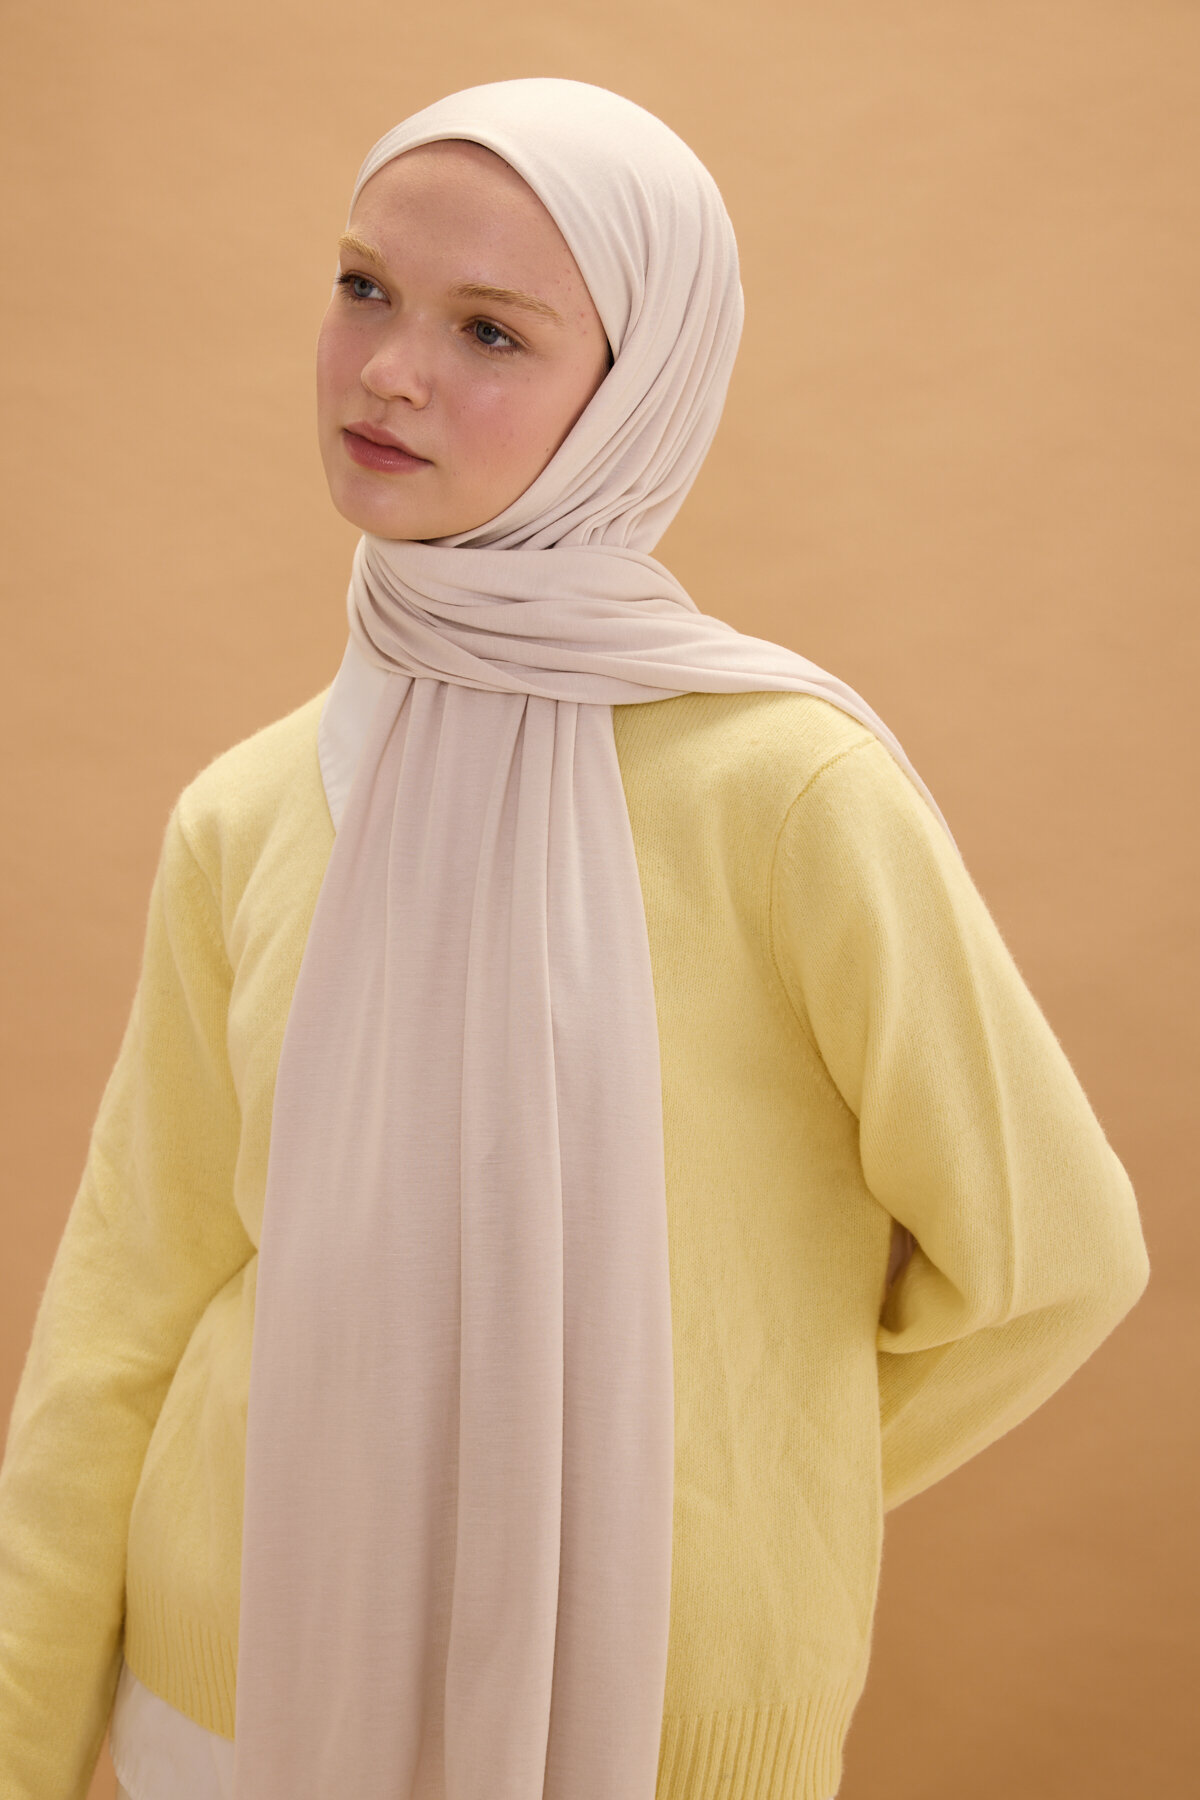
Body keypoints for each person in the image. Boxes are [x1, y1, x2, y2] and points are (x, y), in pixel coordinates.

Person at [0, 77, 1149, 1800]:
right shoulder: (244, 813)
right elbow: (117, 1326)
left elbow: (1055, 1258)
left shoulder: (788, 794)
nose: (390, 370)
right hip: (235, 1698)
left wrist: (705, 1505)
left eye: (490, 329)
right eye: (365, 288)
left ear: (636, 392)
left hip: (644, 1717)